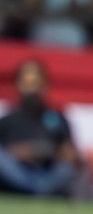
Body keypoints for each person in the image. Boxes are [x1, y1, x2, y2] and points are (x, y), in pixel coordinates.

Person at [0, 58, 82, 197]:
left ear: (45, 85)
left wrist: (50, 152)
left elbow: (72, 156)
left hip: (48, 175)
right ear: (18, 85)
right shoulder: (6, 122)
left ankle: (38, 191)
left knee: (67, 169)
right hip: (17, 175)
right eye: (28, 84)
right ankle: (31, 190)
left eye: (36, 84)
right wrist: (21, 152)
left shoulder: (58, 120)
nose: (32, 90)